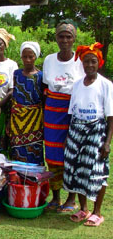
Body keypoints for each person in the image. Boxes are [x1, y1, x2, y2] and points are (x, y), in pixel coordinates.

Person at [63, 43, 112, 226]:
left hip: (96, 129)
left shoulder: (106, 85)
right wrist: (69, 135)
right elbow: (72, 112)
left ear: (99, 62)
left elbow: (111, 117)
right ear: (81, 63)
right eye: (86, 62)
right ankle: (84, 209)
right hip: (77, 128)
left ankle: (97, 212)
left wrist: (107, 142)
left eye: (93, 62)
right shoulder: (77, 85)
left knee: (97, 171)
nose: (89, 65)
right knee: (78, 168)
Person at [43, 21, 84, 212]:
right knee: (52, 157)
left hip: (72, 112)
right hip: (52, 112)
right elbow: (46, 86)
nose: (65, 40)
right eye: (61, 36)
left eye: (69, 36)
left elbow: (85, 87)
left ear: (74, 39)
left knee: (71, 155)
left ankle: (71, 198)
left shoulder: (81, 60)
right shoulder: (49, 60)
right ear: (56, 38)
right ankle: (55, 197)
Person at [7, 42, 44, 164]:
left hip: (35, 121)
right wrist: (9, 122)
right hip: (17, 121)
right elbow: (13, 98)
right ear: (21, 57)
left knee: (34, 152)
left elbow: (43, 100)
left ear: (36, 57)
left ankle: (33, 181)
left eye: (31, 56)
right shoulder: (16, 74)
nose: (27, 60)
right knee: (17, 152)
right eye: (24, 56)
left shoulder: (41, 76)